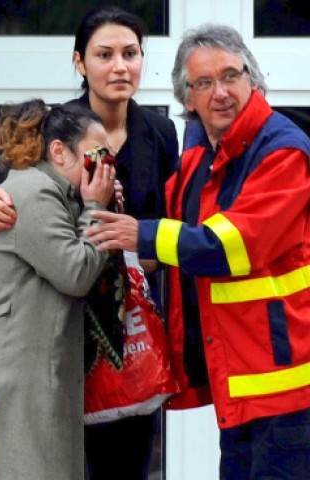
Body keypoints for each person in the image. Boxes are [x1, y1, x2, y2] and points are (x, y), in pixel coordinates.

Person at [83, 24, 310, 480]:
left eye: (230, 75)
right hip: (243, 378)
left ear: (253, 79)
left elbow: (231, 246)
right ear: (188, 98)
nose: (220, 92)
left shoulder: (282, 151)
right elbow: (167, 225)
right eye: (204, 83)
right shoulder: (199, 157)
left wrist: (140, 235)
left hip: (287, 386)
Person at [0, 7, 179, 480]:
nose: (120, 66)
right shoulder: (62, 129)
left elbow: (175, 217)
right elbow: (15, 192)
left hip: (132, 317)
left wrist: (145, 250)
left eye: (131, 53)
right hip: (70, 320)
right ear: (80, 63)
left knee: (131, 453)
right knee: (67, 455)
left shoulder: (159, 130)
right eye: (105, 54)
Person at [0, 99, 115, 480]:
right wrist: (95, 207)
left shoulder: (54, 191)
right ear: (59, 151)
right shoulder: (35, 192)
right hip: (19, 379)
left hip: (31, 371)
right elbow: (75, 272)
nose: (104, 169)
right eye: (96, 157)